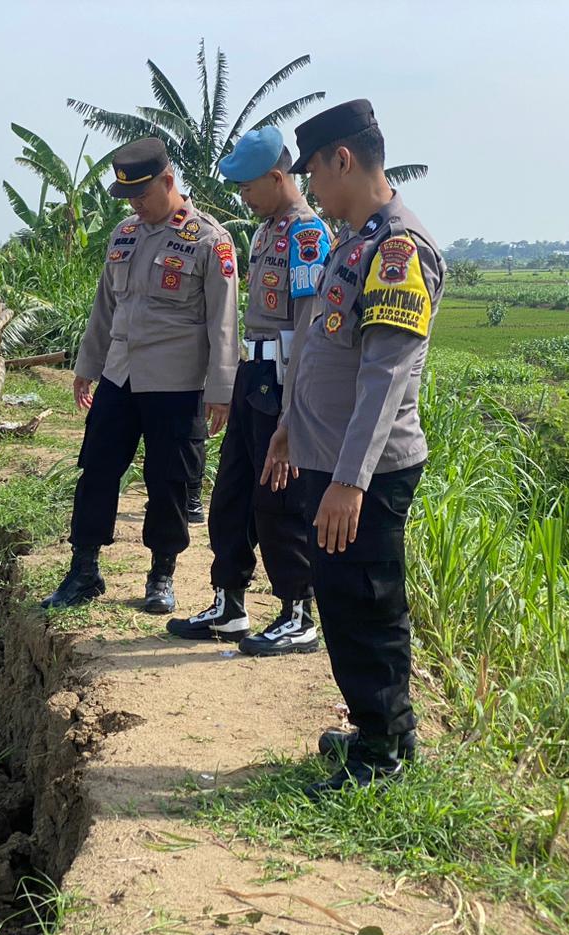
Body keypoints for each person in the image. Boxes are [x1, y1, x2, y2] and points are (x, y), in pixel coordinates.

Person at [262, 99, 445, 796]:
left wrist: (349, 481)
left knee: (365, 601)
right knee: (344, 599)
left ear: (342, 158)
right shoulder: (354, 238)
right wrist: (289, 425)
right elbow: (322, 350)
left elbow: (385, 378)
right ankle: (381, 731)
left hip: (363, 469)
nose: (310, 188)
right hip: (329, 456)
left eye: (313, 172)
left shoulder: (398, 247)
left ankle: (383, 752)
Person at [42, 136, 238, 614]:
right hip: (120, 377)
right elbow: (105, 308)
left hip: (176, 383)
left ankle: (161, 574)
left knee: (169, 481)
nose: (135, 204)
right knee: (97, 469)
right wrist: (87, 367)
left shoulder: (210, 240)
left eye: (142, 195)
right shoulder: (124, 234)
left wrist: (222, 390)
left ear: (169, 182)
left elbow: (224, 321)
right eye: (128, 197)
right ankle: (84, 569)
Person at [167, 127, 328, 655]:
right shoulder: (264, 231)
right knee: (232, 492)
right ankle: (229, 602)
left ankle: (296, 611)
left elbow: (307, 324)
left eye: (247, 187)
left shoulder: (307, 234)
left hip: (282, 379)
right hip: (250, 375)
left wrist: (292, 408)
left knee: (278, 496)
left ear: (277, 177)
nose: (242, 198)